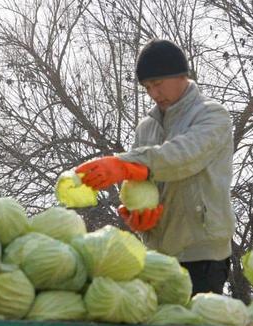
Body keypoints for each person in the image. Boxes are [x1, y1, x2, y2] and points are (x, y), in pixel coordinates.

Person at [75, 39, 236, 295]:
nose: (153, 94)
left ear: (181, 75)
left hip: (203, 254)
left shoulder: (212, 115)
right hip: (155, 256)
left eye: (158, 84)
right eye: (147, 87)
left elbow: (184, 156)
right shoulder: (146, 128)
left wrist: (124, 165)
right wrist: (137, 215)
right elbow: (142, 182)